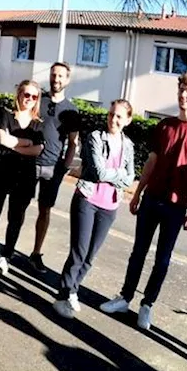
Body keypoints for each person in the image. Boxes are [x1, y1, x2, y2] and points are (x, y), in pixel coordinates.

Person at [100, 73, 187, 330]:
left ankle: (147, 305)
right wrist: (138, 192)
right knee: (137, 252)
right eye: (181, 90)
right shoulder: (164, 126)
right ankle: (125, 297)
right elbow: (151, 162)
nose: (183, 95)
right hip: (152, 199)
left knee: (162, 259)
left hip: (176, 207)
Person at [54, 100, 135, 318]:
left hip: (109, 206)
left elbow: (131, 179)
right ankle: (63, 295)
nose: (113, 119)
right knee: (78, 252)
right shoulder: (95, 137)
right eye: (111, 114)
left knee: (90, 256)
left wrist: (117, 176)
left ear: (127, 120)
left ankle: (73, 289)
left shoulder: (128, 146)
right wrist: (119, 174)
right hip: (87, 200)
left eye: (119, 116)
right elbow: (99, 172)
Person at [0, 80, 44, 275]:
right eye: (26, 95)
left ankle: (6, 255)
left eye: (34, 96)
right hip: (1, 171)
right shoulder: (6, 115)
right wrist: (26, 142)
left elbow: (38, 150)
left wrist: (14, 144)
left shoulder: (39, 124)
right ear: (19, 94)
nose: (29, 99)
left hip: (24, 176)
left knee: (16, 218)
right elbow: (2, 139)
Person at [28, 62, 79, 273]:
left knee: (44, 210)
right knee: (19, 206)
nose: (56, 79)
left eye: (60, 76)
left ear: (67, 80)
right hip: (29, 163)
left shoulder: (72, 110)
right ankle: (9, 248)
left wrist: (63, 169)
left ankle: (36, 253)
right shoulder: (39, 100)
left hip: (52, 168)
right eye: (53, 75)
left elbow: (73, 143)